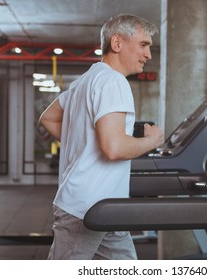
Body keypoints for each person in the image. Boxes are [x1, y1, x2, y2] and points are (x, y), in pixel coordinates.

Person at [39, 14, 164, 260]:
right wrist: (153, 140)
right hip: (86, 207)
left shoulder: (84, 81)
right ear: (117, 43)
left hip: (107, 207)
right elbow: (114, 148)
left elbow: (48, 118)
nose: (148, 55)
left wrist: (85, 144)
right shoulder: (113, 81)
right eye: (143, 45)